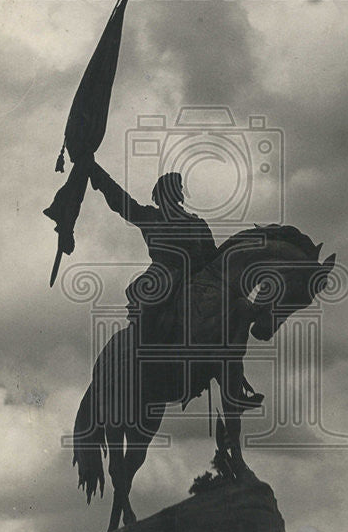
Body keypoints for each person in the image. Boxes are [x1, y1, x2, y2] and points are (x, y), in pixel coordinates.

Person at [89, 162, 263, 409]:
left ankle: (233, 376)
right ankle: (143, 363)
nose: (181, 191)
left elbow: (213, 257)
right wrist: (96, 171)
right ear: (166, 192)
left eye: (181, 187)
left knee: (239, 308)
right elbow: (120, 201)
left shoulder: (197, 223)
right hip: (163, 277)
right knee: (153, 303)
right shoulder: (151, 217)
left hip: (197, 283)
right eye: (177, 186)